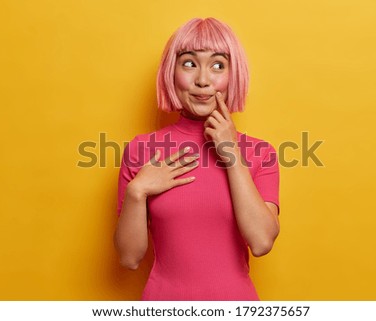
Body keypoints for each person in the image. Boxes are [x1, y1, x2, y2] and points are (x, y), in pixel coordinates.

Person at [114, 17, 280, 301]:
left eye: (218, 65)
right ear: (171, 72)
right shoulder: (141, 150)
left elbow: (262, 242)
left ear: (233, 75)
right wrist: (137, 191)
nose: (203, 80)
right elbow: (129, 258)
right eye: (189, 63)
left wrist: (231, 154)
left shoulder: (260, 153)